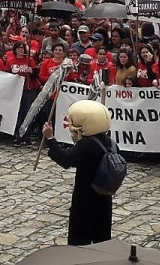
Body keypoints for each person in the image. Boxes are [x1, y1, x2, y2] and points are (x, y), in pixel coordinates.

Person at [43, 99, 116, 245]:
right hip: (104, 198)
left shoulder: (86, 145)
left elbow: (65, 160)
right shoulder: (110, 142)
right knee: (102, 240)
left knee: (78, 241)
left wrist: (50, 139)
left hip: (85, 200)